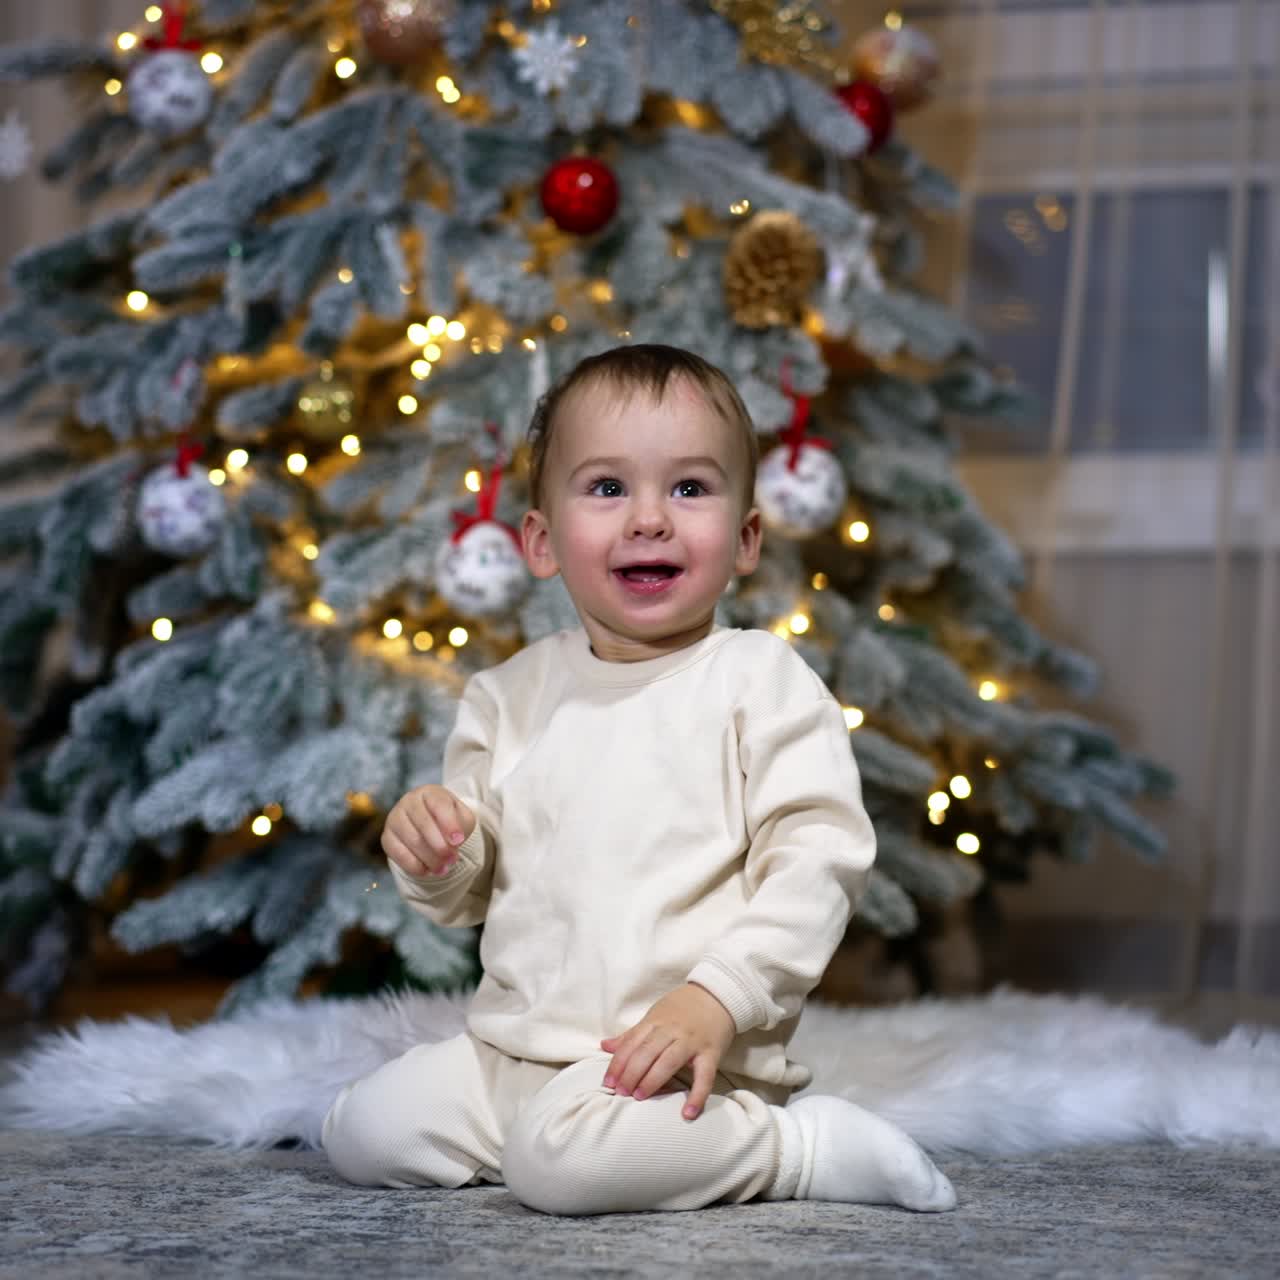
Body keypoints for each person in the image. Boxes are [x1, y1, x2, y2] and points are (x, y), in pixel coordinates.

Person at [321, 343, 957, 1217]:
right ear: (541, 542)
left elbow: (819, 860)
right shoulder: (507, 698)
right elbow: (467, 896)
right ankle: (567, 1136)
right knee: (365, 1131)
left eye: (689, 488)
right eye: (608, 487)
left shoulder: (756, 682)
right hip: (510, 1051)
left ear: (744, 540)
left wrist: (717, 998)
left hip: (679, 1059)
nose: (650, 518)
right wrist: (439, 849)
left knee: (561, 1168)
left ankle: (792, 1147)